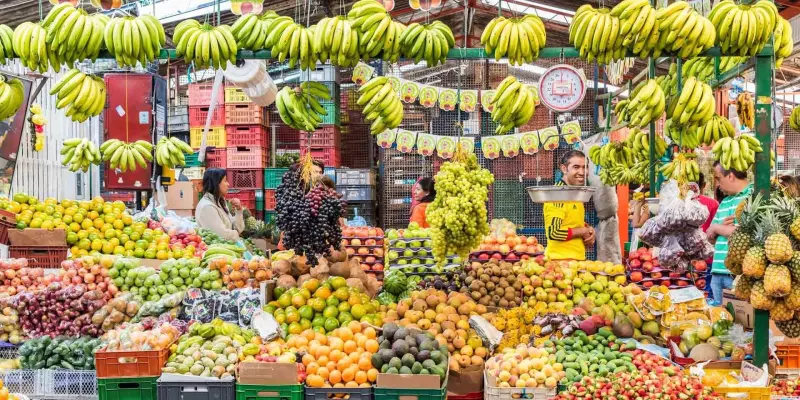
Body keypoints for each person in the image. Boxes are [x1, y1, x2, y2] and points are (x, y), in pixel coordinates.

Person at [706, 162, 752, 305]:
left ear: (730, 176)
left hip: (738, 277)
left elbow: (743, 234)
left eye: (719, 178)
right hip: (717, 273)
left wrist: (718, 228)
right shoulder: (725, 201)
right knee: (718, 319)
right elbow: (709, 235)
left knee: (741, 322)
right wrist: (719, 229)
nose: (718, 184)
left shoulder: (752, 197)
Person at [544, 150, 594, 261]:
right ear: (564, 169)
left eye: (585, 167)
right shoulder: (558, 195)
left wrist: (588, 229)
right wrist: (582, 231)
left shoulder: (574, 193)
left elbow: (571, 221)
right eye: (576, 167)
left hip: (576, 261)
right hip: (560, 263)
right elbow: (554, 233)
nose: (582, 172)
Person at [195, 168, 245, 241]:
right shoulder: (207, 207)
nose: (228, 184)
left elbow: (237, 228)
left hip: (227, 246)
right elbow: (221, 235)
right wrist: (237, 234)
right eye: (225, 181)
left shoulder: (220, 201)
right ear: (215, 183)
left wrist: (239, 210)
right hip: (217, 248)